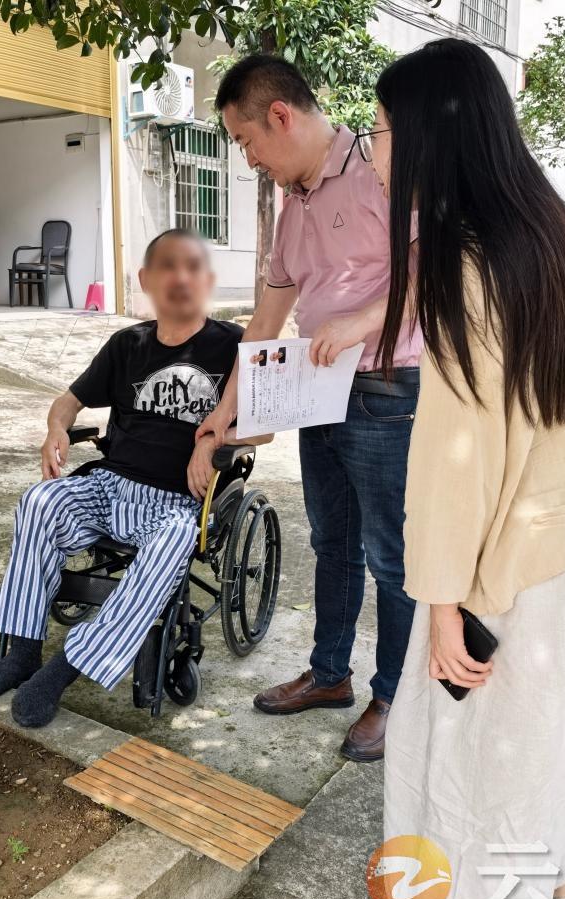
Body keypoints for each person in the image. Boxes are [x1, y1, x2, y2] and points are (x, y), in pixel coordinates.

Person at [369, 40, 565, 899]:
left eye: (379, 131)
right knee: (556, 743)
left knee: (477, 772)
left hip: (509, 571)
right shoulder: (552, 232)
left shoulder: (463, 265)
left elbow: (457, 463)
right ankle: (557, 888)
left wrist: (442, 603)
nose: (373, 152)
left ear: (427, 137)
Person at [199, 55, 422, 763]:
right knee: (332, 542)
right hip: (317, 392)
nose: (248, 159)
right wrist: (224, 414)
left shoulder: (382, 171)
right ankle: (330, 675)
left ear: (280, 116)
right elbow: (264, 324)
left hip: (388, 389)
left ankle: (395, 696)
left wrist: (360, 322)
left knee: (392, 556)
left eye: (246, 142)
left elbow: (438, 275)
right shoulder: (292, 207)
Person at [0, 229, 265, 726]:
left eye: (192, 267)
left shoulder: (233, 346)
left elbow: (267, 429)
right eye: (167, 267)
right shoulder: (127, 344)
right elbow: (68, 402)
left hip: (178, 500)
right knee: (40, 502)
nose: (180, 278)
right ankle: (21, 654)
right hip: (110, 486)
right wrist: (55, 429)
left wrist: (213, 439)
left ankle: (62, 671)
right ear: (146, 280)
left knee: (173, 540)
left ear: (207, 280)